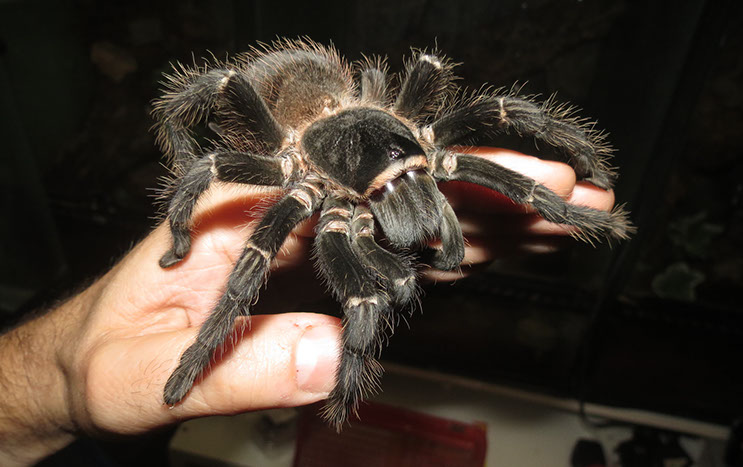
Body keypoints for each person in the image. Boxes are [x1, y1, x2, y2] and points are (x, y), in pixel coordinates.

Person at [0, 148, 619, 466]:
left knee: (532, 189)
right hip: (309, 154)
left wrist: (570, 204)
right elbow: (212, 169)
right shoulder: (304, 190)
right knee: (331, 279)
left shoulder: (428, 155)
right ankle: (323, 387)